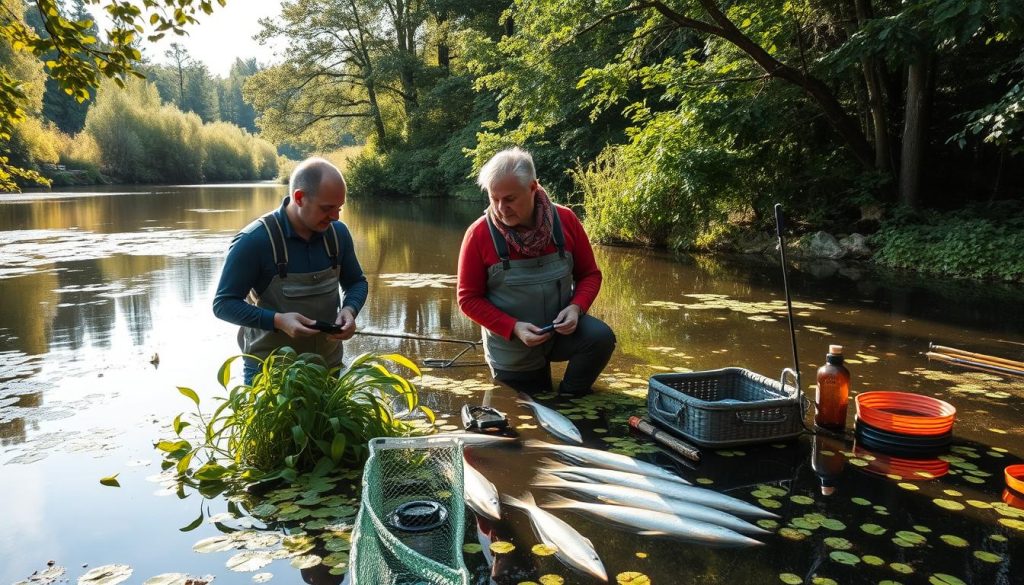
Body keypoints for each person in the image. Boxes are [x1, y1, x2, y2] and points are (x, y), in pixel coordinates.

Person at [457, 147, 616, 395]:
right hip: (512, 344)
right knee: (529, 409)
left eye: (510, 199)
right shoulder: (478, 235)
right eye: (494, 198)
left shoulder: (566, 220)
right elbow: (468, 299)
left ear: (533, 188)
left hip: (562, 333)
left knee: (600, 338)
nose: (501, 208)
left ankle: (571, 397)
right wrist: (513, 327)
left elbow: (589, 275)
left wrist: (577, 308)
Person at [213, 157, 368, 384]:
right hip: (270, 374)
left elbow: (357, 282)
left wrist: (350, 310)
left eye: (339, 208)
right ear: (299, 198)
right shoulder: (254, 241)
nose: (335, 217)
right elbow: (223, 304)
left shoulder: (338, 234)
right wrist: (278, 320)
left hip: (328, 367)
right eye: (327, 209)